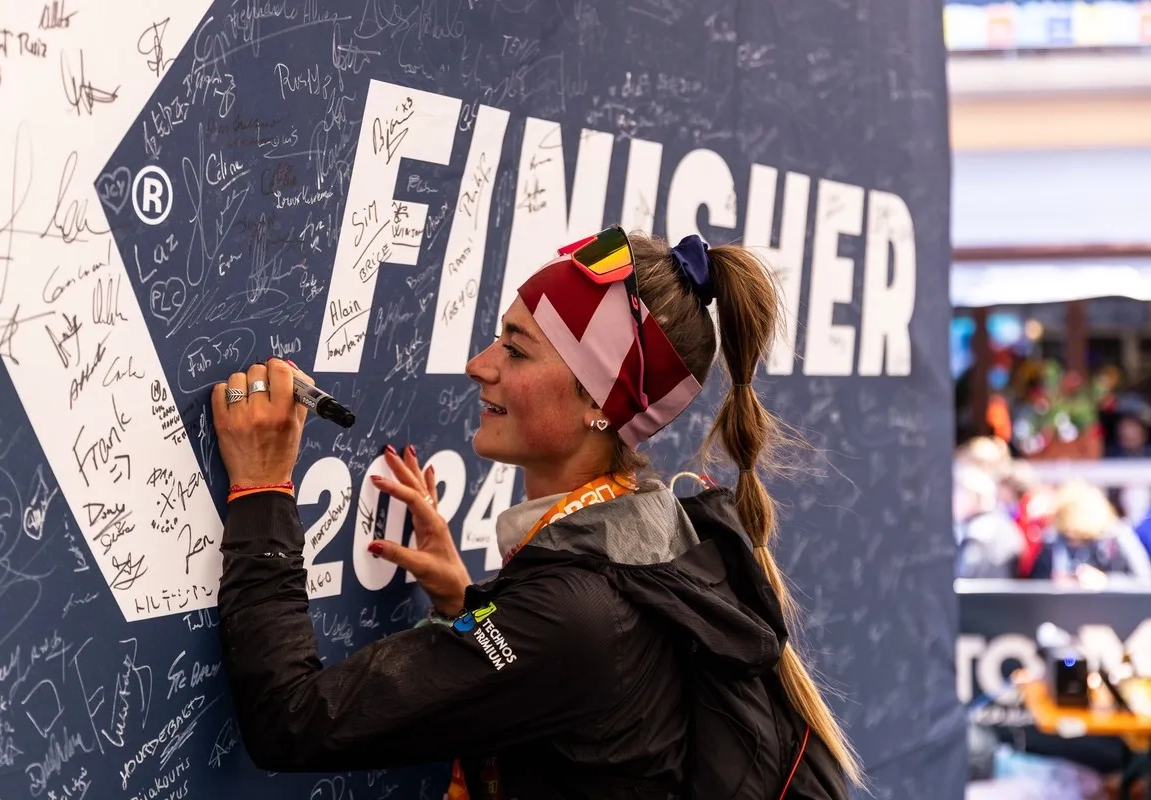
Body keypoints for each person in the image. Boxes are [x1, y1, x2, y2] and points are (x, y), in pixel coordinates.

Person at [211, 226, 861, 799]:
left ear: (600, 404)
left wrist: (262, 490)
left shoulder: (572, 613)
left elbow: (291, 720)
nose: (479, 366)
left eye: (516, 350)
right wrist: (471, 610)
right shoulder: (659, 533)